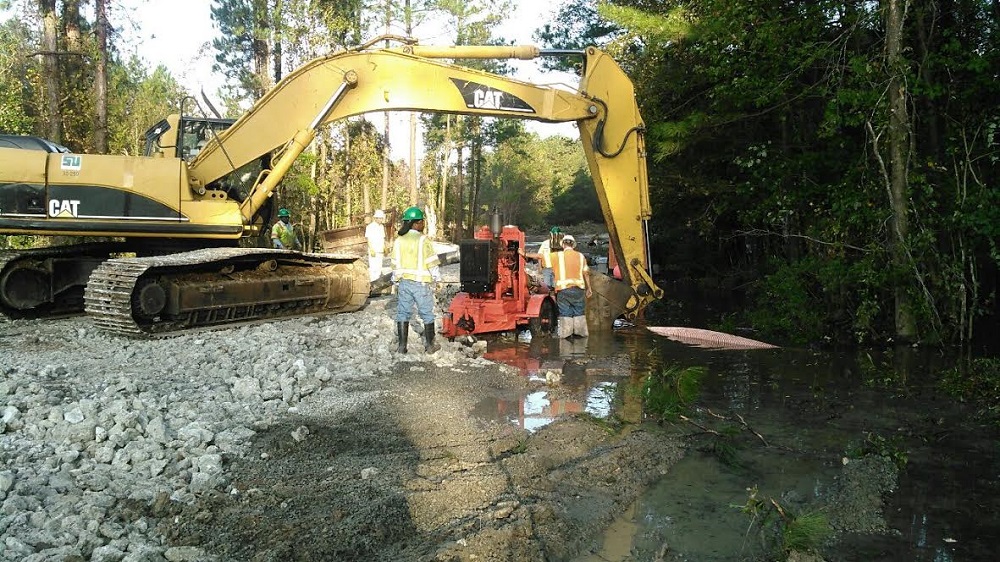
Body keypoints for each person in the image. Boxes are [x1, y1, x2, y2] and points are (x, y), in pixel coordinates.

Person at [391, 206, 441, 354]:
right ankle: (430, 346)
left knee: (403, 313)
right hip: (420, 284)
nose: (423, 224)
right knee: (426, 313)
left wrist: (395, 279)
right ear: (415, 223)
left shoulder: (399, 241)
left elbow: (395, 263)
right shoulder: (423, 240)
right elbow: (431, 262)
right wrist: (437, 279)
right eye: (422, 221)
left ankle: (402, 347)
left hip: (404, 283)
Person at [549, 234, 592, 338]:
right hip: (578, 289)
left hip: (563, 290)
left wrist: (524, 253)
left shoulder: (556, 256)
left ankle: (566, 336)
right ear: (573, 245)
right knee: (579, 312)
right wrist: (589, 288)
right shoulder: (581, 256)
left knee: (565, 313)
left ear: (563, 244)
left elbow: (540, 256)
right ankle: (580, 335)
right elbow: (586, 273)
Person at [365, 209, 387, 283]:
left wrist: (385, 248)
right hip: (373, 250)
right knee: (373, 268)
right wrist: (371, 249)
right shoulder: (370, 227)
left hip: (380, 250)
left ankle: (377, 283)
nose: (381, 220)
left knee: (379, 267)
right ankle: (372, 282)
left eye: (381, 218)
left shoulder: (382, 227)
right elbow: (368, 239)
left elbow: (383, 238)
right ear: (375, 218)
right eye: (379, 218)